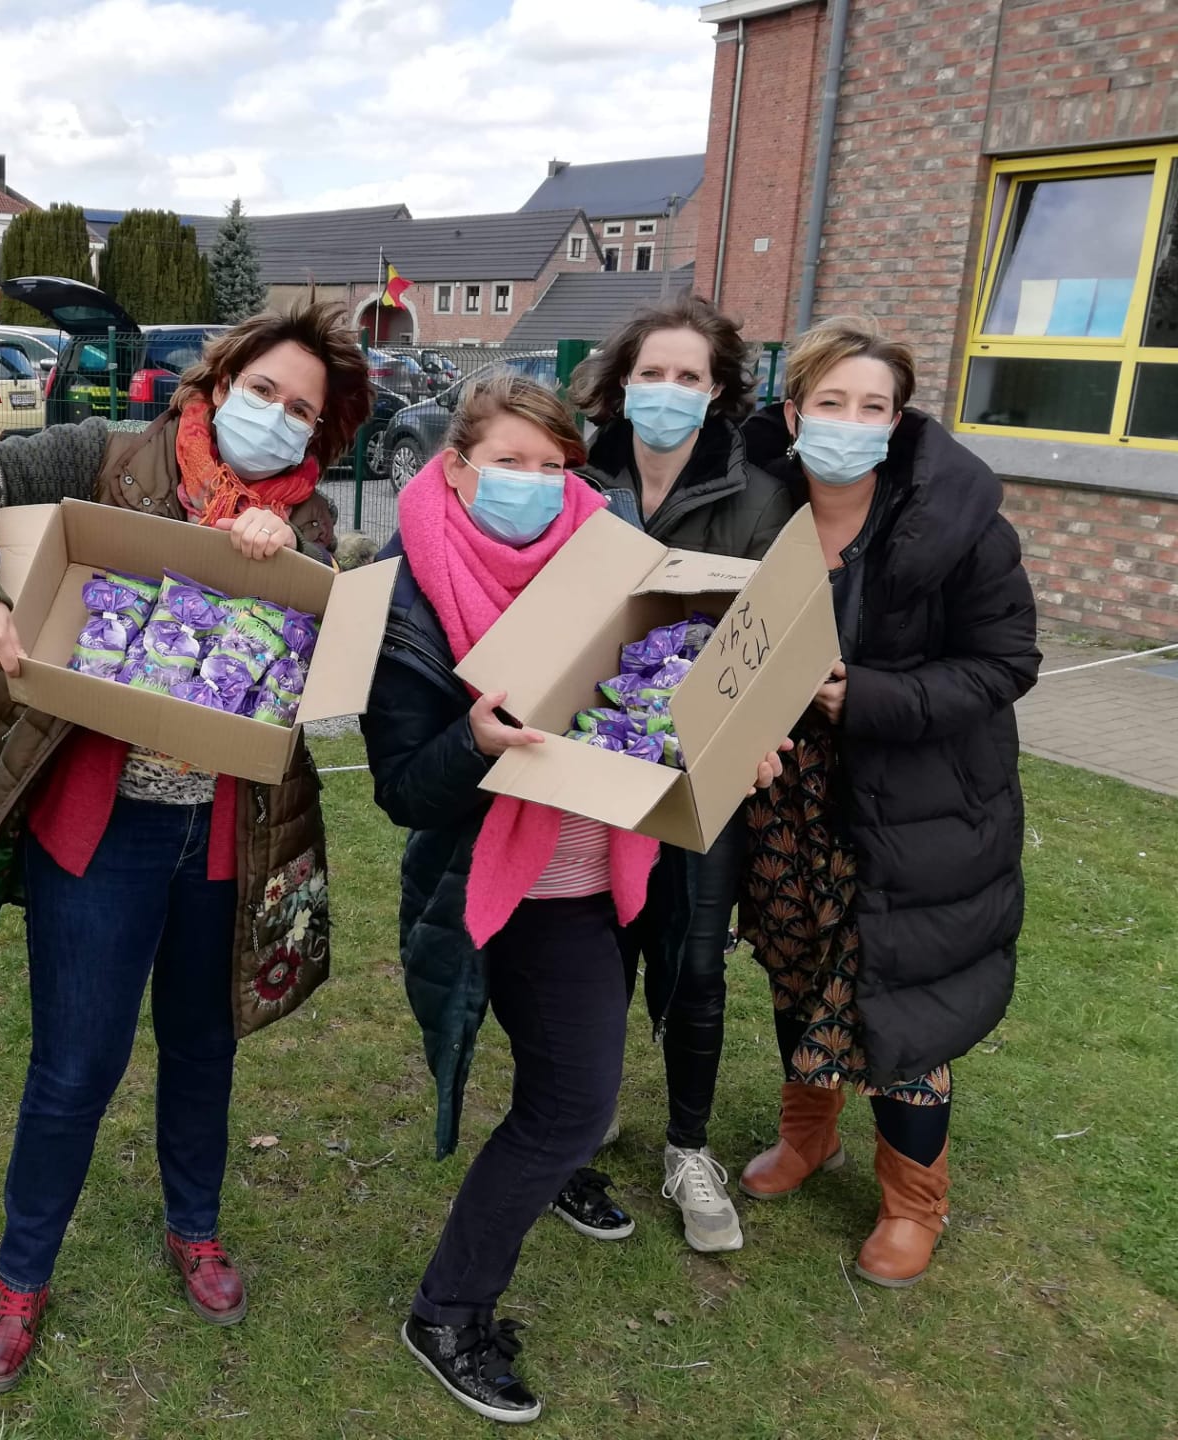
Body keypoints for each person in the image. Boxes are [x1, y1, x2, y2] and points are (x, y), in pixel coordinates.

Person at [0, 304, 371, 1393]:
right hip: (101, 829)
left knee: (204, 1048)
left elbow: (333, 637)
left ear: (322, 434)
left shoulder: (309, 521)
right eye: (263, 391)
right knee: (76, 1066)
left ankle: (194, 1228)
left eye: (302, 411)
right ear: (220, 382)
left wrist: (288, 552)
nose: (277, 418)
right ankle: (22, 1278)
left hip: (229, 835)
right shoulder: (103, 459)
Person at [361, 372, 782, 1423]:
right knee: (574, 1106)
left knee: (564, 1083)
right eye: (510, 463)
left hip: (618, 866)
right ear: (458, 466)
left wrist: (736, 741)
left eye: (554, 465)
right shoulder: (404, 593)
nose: (536, 483)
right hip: (508, 885)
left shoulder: (616, 556)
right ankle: (447, 1313)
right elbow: (402, 791)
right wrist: (475, 743)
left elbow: (662, 697)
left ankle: (543, 1191)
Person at [732, 316, 1039, 1288]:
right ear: (794, 414)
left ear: (898, 422)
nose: (851, 422)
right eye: (832, 402)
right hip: (787, 801)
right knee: (797, 969)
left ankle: (914, 1201)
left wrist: (869, 696)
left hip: (913, 806)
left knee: (899, 998)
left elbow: (1005, 663)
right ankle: (808, 1133)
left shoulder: (956, 527)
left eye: (874, 406)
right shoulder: (757, 506)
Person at [555, 296, 796, 1255]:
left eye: (688, 376)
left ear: (718, 390)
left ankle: (688, 1148)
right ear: (621, 384)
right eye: (650, 373)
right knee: (595, 955)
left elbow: (776, 634)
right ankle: (587, 1110)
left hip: (703, 771)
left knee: (695, 963)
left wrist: (757, 729)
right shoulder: (576, 479)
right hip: (591, 755)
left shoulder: (759, 496)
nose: (667, 391)